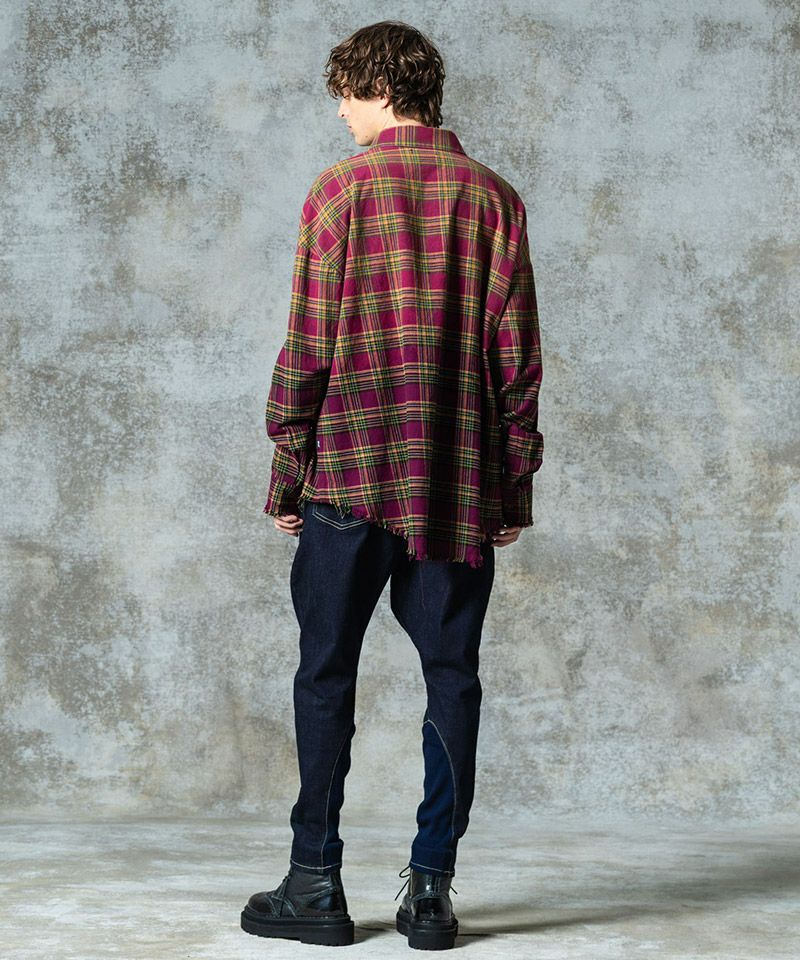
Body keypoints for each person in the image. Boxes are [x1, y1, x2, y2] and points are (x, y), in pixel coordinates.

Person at [241, 19, 544, 950]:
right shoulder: (494, 199)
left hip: (349, 476)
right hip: (453, 484)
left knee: (325, 671)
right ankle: (432, 891)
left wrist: (288, 469)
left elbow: (308, 348)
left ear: (378, 88)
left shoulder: (339, 191)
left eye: (344, 94)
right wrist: (511, 487)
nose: (340, 112)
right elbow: (518, 362)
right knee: (453, 676)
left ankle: (314, 883)